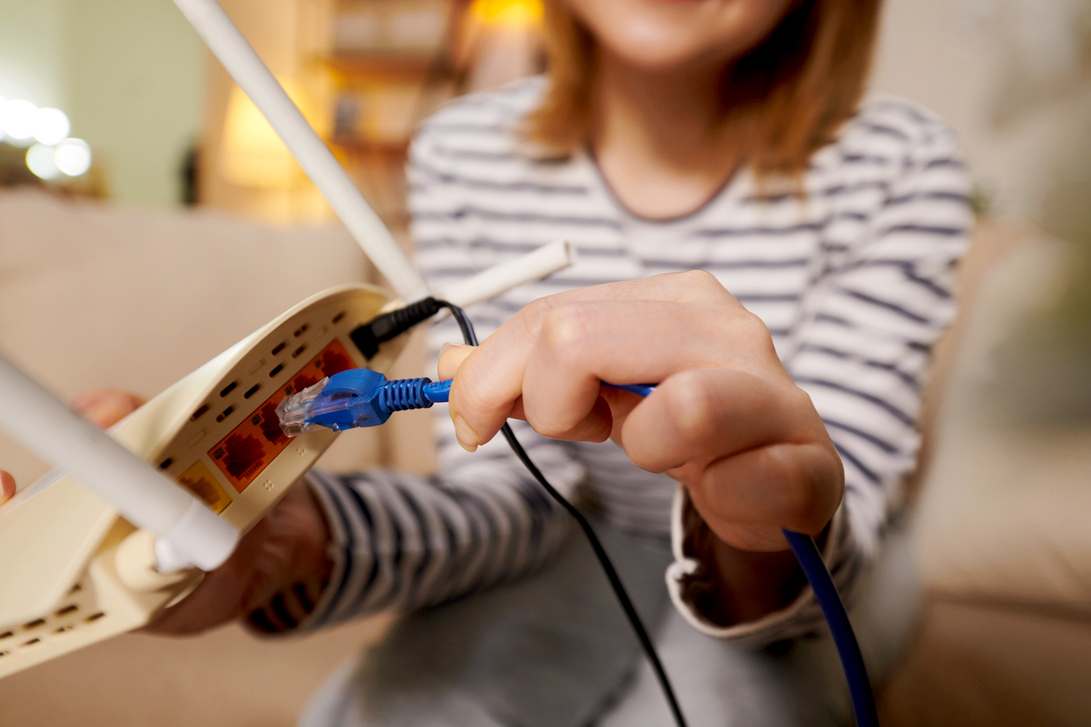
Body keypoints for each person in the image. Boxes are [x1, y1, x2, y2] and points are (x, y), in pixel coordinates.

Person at [1, 0, 973, 724]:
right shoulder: (468, 153)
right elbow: (504, 505)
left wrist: (755, 525)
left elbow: (832, 530)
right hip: (561, 538)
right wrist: (278, 538)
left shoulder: (897, 164)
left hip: (789, 587)